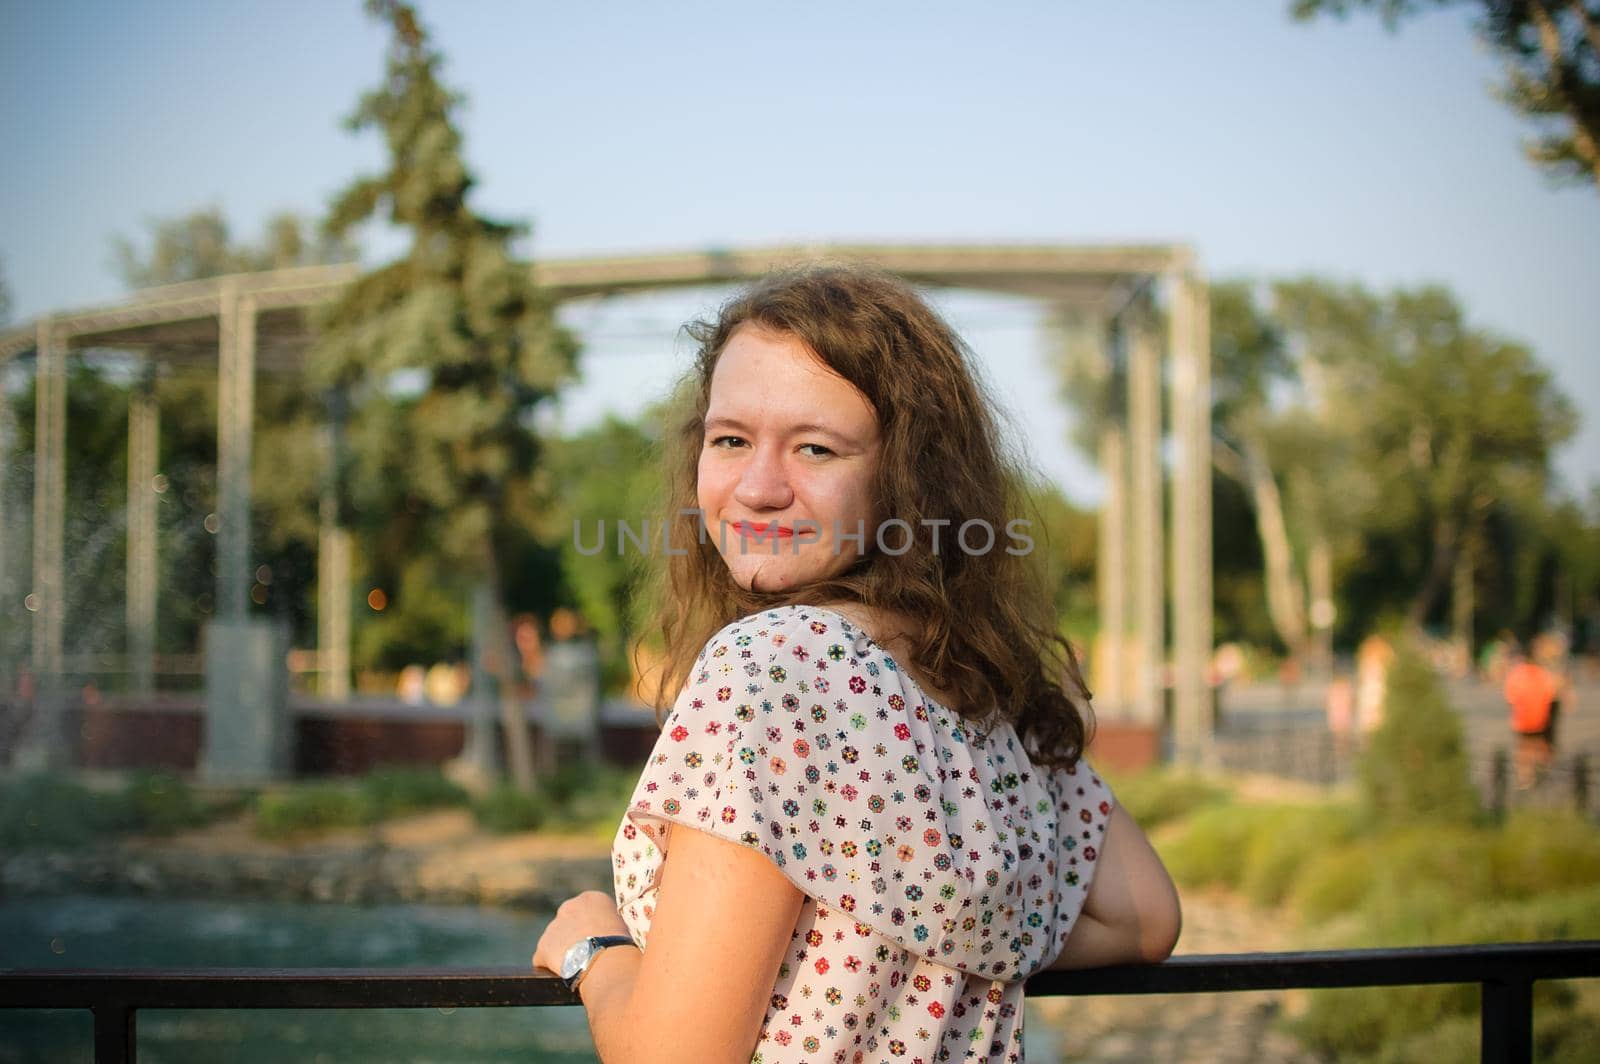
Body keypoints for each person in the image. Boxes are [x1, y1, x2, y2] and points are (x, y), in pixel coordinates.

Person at [532, 266, 1181, 1063]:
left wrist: (596, 952)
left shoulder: (771, 666)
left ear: (907, 480)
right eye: (730, 439)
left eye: (815, 448)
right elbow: (1144, 914)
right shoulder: (968, 677)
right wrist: (937, 954)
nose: (760, 487)